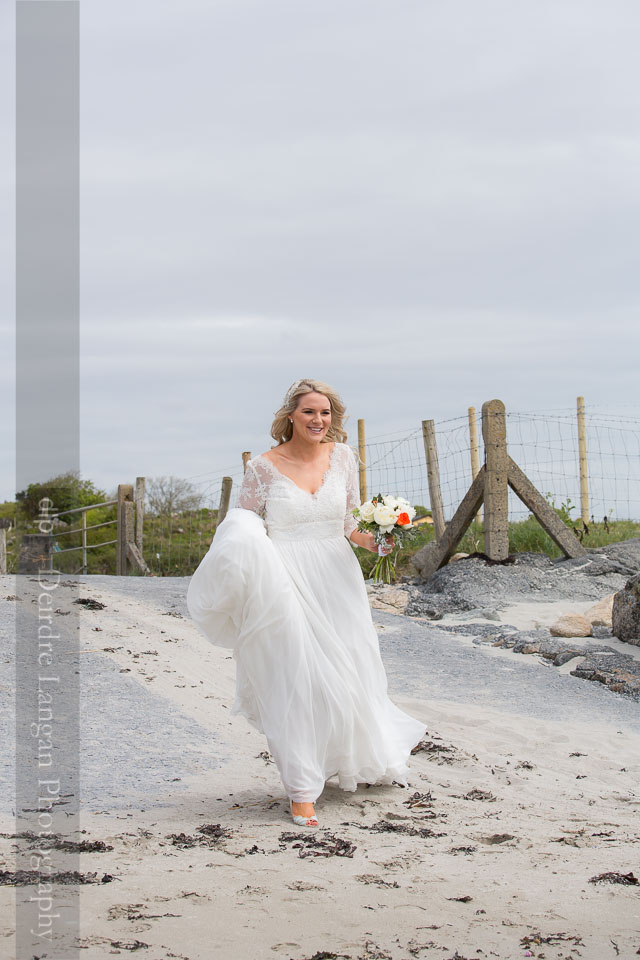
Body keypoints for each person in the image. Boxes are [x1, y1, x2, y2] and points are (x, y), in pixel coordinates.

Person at [186, 377, 427, 827]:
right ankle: (301, 789)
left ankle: (352, 761)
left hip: (338, 578)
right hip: (282, 580)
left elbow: (349, 522)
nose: (319, 420)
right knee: (295, 678)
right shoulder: (261, 468)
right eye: (310, 412)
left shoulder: (344, 459)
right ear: (290, 418)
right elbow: (241, 528)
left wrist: (377, 543)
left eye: (326, 413)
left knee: (349, 673)